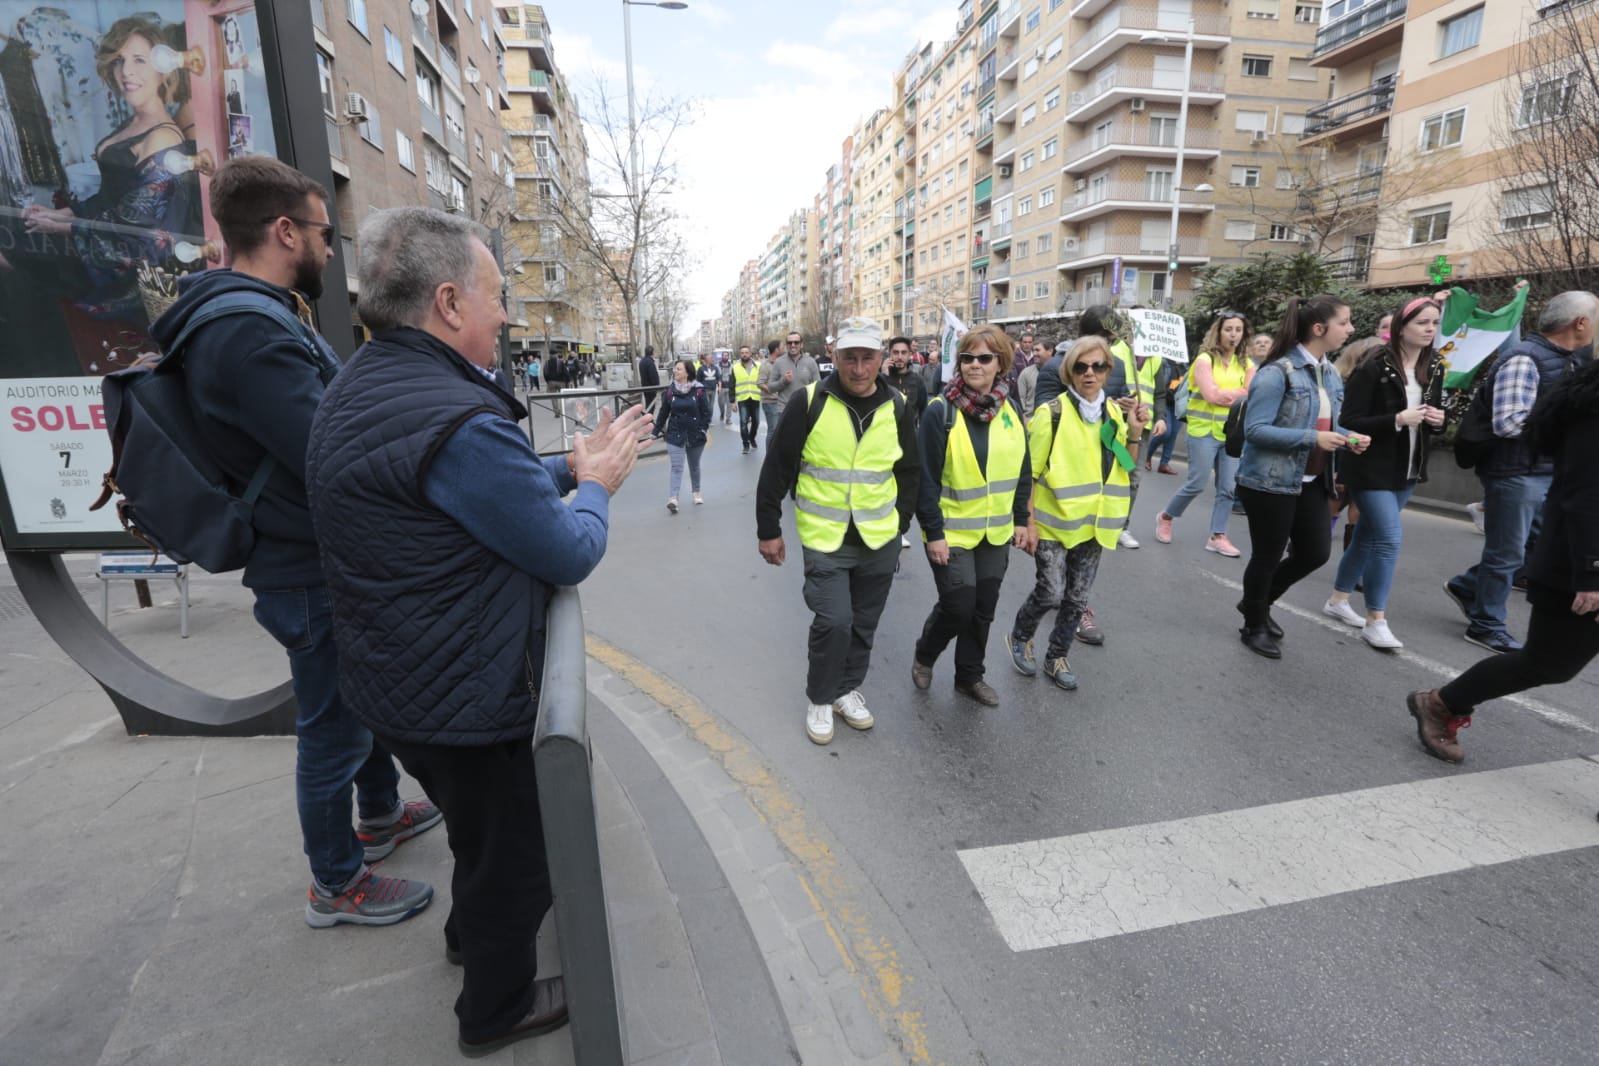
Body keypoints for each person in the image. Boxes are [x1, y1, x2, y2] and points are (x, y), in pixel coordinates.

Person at [306, 206, 649, 1055]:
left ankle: (468, 938)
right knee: (521, 856)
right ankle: (493, 1011)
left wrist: (553, 470)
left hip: (394, 681)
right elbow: (567, 549)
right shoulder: (457, 418)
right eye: (498, 297)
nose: (508, 316)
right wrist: (597, 483)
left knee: (479, 835)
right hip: (462, 691)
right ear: (451, 302)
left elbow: (440, 483)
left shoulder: (367, 382)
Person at [157, 157, 438, 925]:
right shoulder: (247, 331)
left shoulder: (258, 312)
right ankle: (336, 883)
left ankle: (378, 815)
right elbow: (328, 450)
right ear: (284, 231)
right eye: (321, 232)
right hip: (305, 565)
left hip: (313, 554)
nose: (326, 248)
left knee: (359, 700)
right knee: (330, 730)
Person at [1407, 357, 1599, 763]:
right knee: (1549, 664)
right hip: (1577, 561)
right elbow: (1587, 495)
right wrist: (1592, 571)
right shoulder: (1592, 408)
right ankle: (1443, 703)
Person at [756, 317, 919, 745]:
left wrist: (900, 521)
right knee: (835, 621)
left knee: (864, 623)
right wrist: (768, 529)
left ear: (881, 359)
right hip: (825, 539)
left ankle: (846, 690)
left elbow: (909, 471)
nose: (860, 368)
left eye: (868, 358)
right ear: (835, 356)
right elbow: (776, 469)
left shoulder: (897, 405)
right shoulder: (807, 402)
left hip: (879, 539)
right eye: (850, 358)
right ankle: (821, 697)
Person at [17, 14, 204, 325]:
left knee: (14, 255)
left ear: (163, 68)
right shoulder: (134, 123)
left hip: (125, 273)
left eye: (139, 60)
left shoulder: (162, 139)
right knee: (15, 238)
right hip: (97, 241)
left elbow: (140, 238)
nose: (126, 71)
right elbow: (111, 200)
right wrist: (63, 214)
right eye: (119, 60)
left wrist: (65, 226)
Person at [1444, 291, 1596, 652]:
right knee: (1507, 552)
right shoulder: (1524, 359)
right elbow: (1509, 422)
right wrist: (1568, 434)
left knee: (1536, 547)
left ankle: (1468, 586)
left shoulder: (1570, 361)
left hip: (1543, 471)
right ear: (1580, 323)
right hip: (1515, 472)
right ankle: (1485, 624)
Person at [1008, 336, 1148, 692]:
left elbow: (1126, 463)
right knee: (1052, 592)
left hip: (1094, 524)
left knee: (1076, 598)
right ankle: (1020, 636)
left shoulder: (1113, 413)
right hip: (1053, 524)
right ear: (1070, 371)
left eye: (1098, 366)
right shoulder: (1050, 414)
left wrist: (1134, 432)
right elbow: (1031, 474)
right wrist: (1028, 522)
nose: (1090, 373)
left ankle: (1057, 657)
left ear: (1107, 371)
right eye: (1082, 367)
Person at [1235, 295, 1368, 659]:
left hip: (1312, 479)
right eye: (1345, 322)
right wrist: (1315, 438)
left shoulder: (1327, 372)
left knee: (1314, 552)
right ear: (1319, 328)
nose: (1351, 329)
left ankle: (1255, 604)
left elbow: (1327, 421)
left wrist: (1348, 437)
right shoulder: (1277, 372)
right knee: (1268, 554)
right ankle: (1255, 622)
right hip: (1269, 480)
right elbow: (1256, 430)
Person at [912, 325, 1034, 705]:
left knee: (983, 610)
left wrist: (1019, 519)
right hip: (952, 532)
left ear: (1001, 364)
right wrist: (933, 533)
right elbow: (926, 480)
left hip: (995, 533)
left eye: (984, 358)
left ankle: (969, 676)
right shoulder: (941, 412)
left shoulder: (1010, 409)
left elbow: (1023, 471)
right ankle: (926, 653)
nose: (974, 365)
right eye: (967, 358)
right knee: (958, 606)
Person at [1323, 298, 1447, 649]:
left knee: (1365, 535)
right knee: (1388, 539)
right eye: (1423, 322)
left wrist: (1439, 420)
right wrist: (1395, 419)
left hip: (1408, 468)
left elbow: (1435, 415)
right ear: (1402, 327)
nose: (1429, 330)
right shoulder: (1374, 365)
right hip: (1369, 467)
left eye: (1434, 323)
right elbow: (1349, 420)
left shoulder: (1435, 364)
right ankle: (1376, 619)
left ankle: (1337, 600)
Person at [1154, 312, 1255, 558]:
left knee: (1228, 488)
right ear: (1218, 332)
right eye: (1228, 329)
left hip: (1231, 434)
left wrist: (1229, 393)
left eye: (1238, 330)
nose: (1233, 334)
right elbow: (1212, 395)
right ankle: (1166, 516)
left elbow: (1253, 393)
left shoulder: (1248, 364)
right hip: (1203, 431)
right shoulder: (1204, 360)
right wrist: (1239, 392)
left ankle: (1218, 536)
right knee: (1197, 483)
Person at [653, 357, 711, 511]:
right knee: (676, 467)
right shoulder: (670, 391)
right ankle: (673, 499)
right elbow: (663, 413)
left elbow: (706, 412)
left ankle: (696, 492)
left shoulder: (698, 390)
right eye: (675, 368)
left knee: (694, 466)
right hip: (675, 434)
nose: (675, 371)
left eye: (678, 369)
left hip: (695, 435)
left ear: (687, 372)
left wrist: (703, 429)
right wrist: (655, 431)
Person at [760, 330, 821, 447]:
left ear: (801, 344)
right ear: (787, 344)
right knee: (785, 445)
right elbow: (771, 388)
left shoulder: (811, 362)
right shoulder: (779, 362)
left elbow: (818, 386)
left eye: (796, 342)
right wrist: (784, 381)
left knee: (805, 444)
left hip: (805, 410)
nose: (793, 345)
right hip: (784, 410)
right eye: (789, 342)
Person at [732, 345, 764, 453]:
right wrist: (732, 402)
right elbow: (732, 385)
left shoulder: (759, 366)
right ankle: (745, 444)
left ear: (750, 354)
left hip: (755, 398)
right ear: (740, 354)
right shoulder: (735, 367)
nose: (744, 354)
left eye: (746, 352)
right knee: (743, 422)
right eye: (742, 353)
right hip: (743, 399)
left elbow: (763, 380)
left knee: (756, 422)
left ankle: (752, 438)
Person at [757, 339, 784, 447]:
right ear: (776, 350)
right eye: (782, 347)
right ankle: (770, 458)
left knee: (779, 430)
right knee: (773, 430)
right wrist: (772, 389)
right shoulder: (766, 365)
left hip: (781, 401)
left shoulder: (781, 364)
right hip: (770, 402)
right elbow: (760, 383)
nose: (784, 349)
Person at [1015, 337, 1048, 419]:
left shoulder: (1059, 372)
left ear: (1050, 351)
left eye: (1038, 350)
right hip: (1031, 419)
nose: (1035, 353)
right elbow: (1020, 398)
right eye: (1034, 350)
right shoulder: (1026, 372)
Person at [637, 344, 661, 410]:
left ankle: (648, 419)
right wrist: (657, 386)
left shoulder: (641, 362)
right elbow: (653, 376)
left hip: (645, 387)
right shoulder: (650, 362)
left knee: (648, 404)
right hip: (651, 388)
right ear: (652, 352)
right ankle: (649, 419)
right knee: (651, 407)